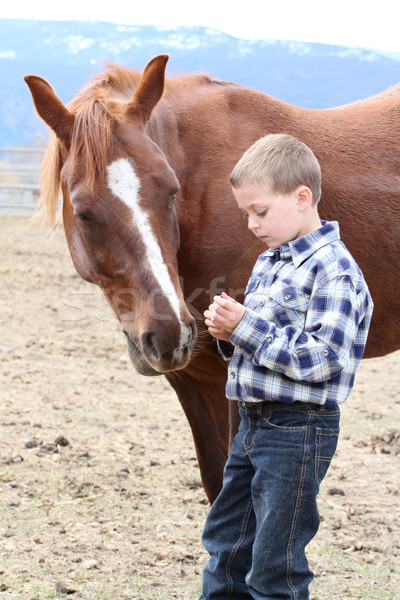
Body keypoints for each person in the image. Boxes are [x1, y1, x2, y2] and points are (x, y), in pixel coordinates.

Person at [200, 133, 373, 600]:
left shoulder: (335, 271)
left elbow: (322, 359)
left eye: (260, 211)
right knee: (227, 544)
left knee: (275, 562)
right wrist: (229, 336)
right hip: (253, 424)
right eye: (245, 214)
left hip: (299, 429)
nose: (252, 224)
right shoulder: (269, 262)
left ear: (301, 198)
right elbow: (259, 347)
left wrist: (246, 329)